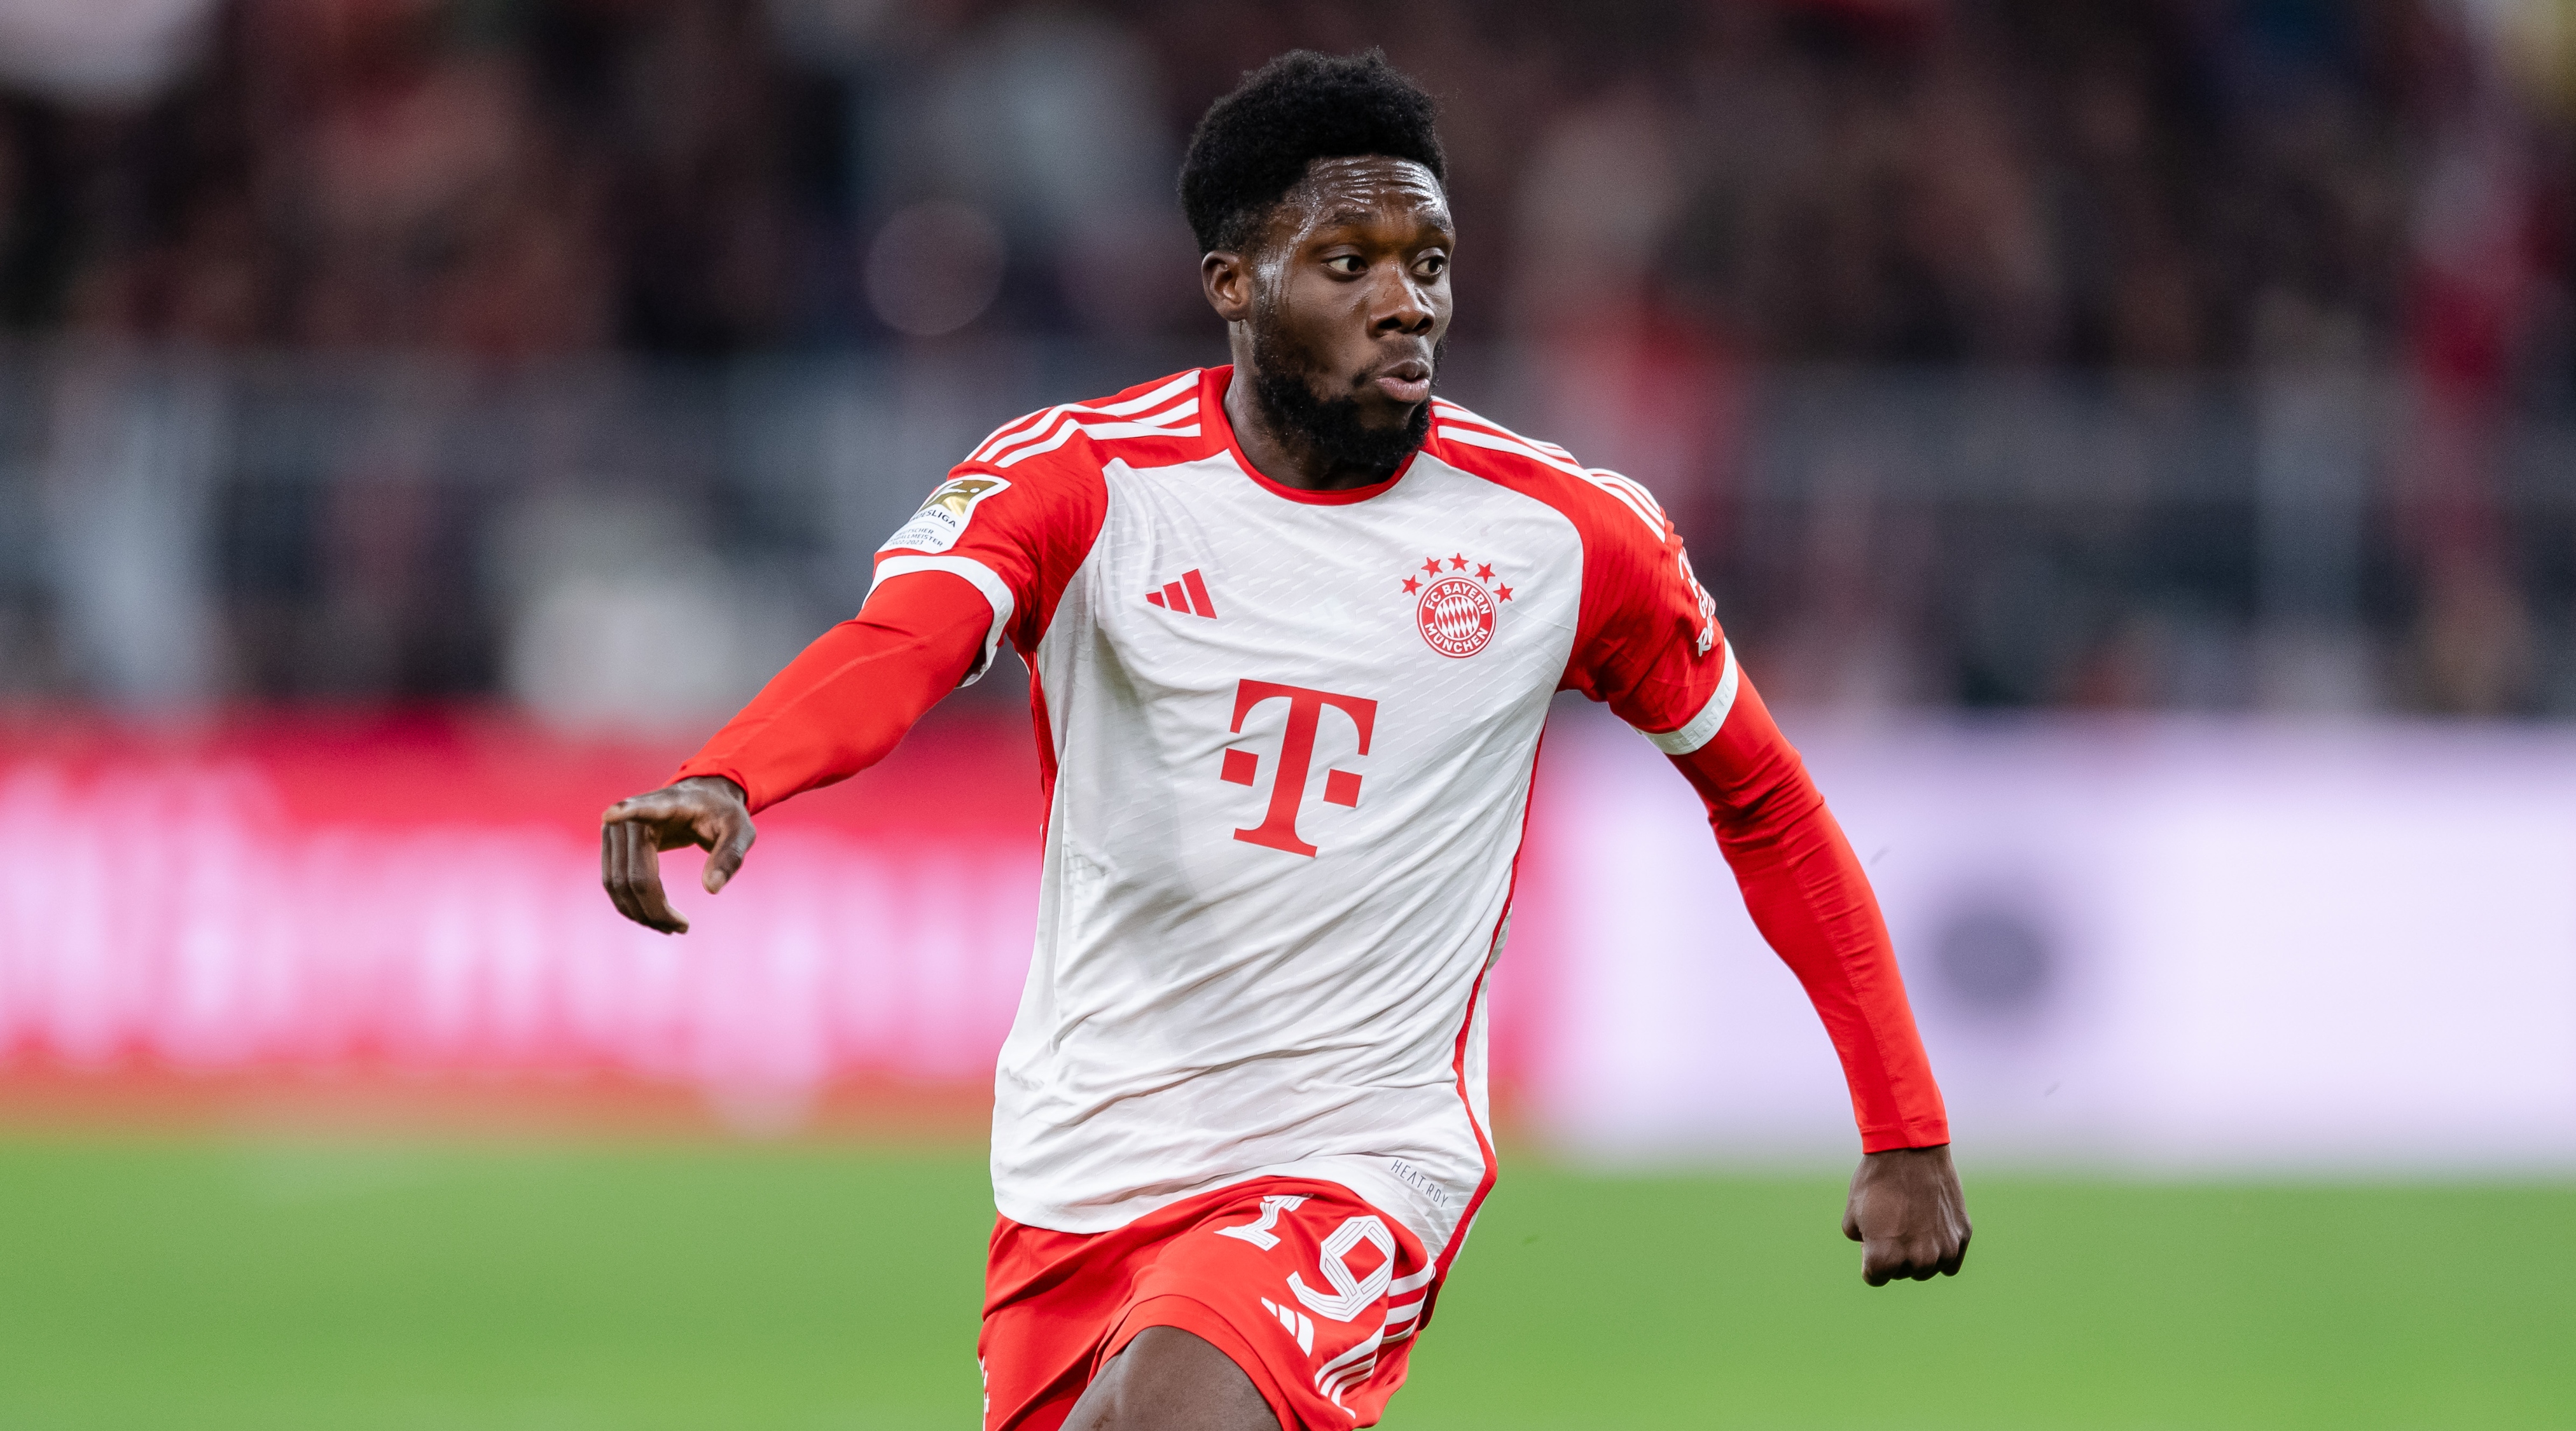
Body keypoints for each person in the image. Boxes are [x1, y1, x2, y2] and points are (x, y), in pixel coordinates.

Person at [600, 48, 1968, 1431]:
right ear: (1233, 285)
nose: (1405, 304)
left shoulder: (1569, 537)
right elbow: (906, 639)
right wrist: (733, 769)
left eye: (1428, 261)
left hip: (1359, 1154)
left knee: (1171, 1413)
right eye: (1350, 263)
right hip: (1085, 1166)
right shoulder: (1087, 480)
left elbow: (1768, 806)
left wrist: (1902, 1123)